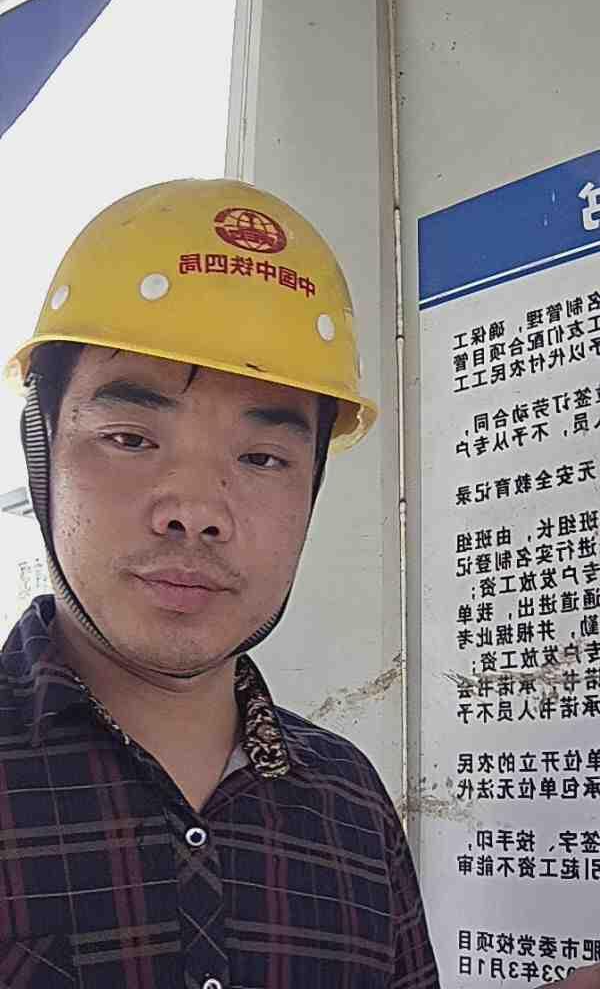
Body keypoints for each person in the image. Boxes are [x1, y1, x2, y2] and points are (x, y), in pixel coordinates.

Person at [0, 179, 440, 988]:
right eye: (130, 438)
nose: (197, 511)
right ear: (43, 449)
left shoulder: (350, 806)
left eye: (263, 458)